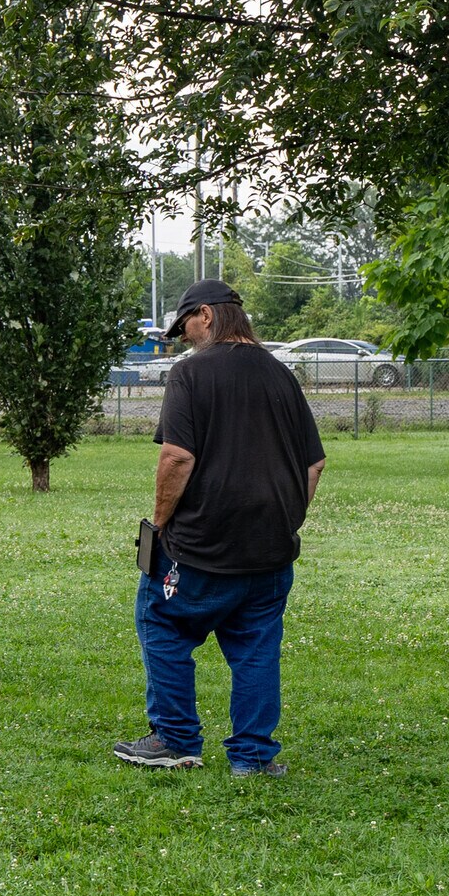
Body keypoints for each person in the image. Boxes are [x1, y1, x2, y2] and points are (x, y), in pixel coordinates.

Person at [114, 280, 326, 775]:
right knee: (256, 647)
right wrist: (284, 521)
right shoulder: (282, 376)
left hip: (200, 547)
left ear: (206, 314)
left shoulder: (191, 374)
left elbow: (178, 456)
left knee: (161, 624)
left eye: (185, 325)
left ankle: (174, 739)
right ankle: (252, 757)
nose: (185, 337)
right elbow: (313, 466)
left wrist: (160, 526)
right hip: (270, 549)